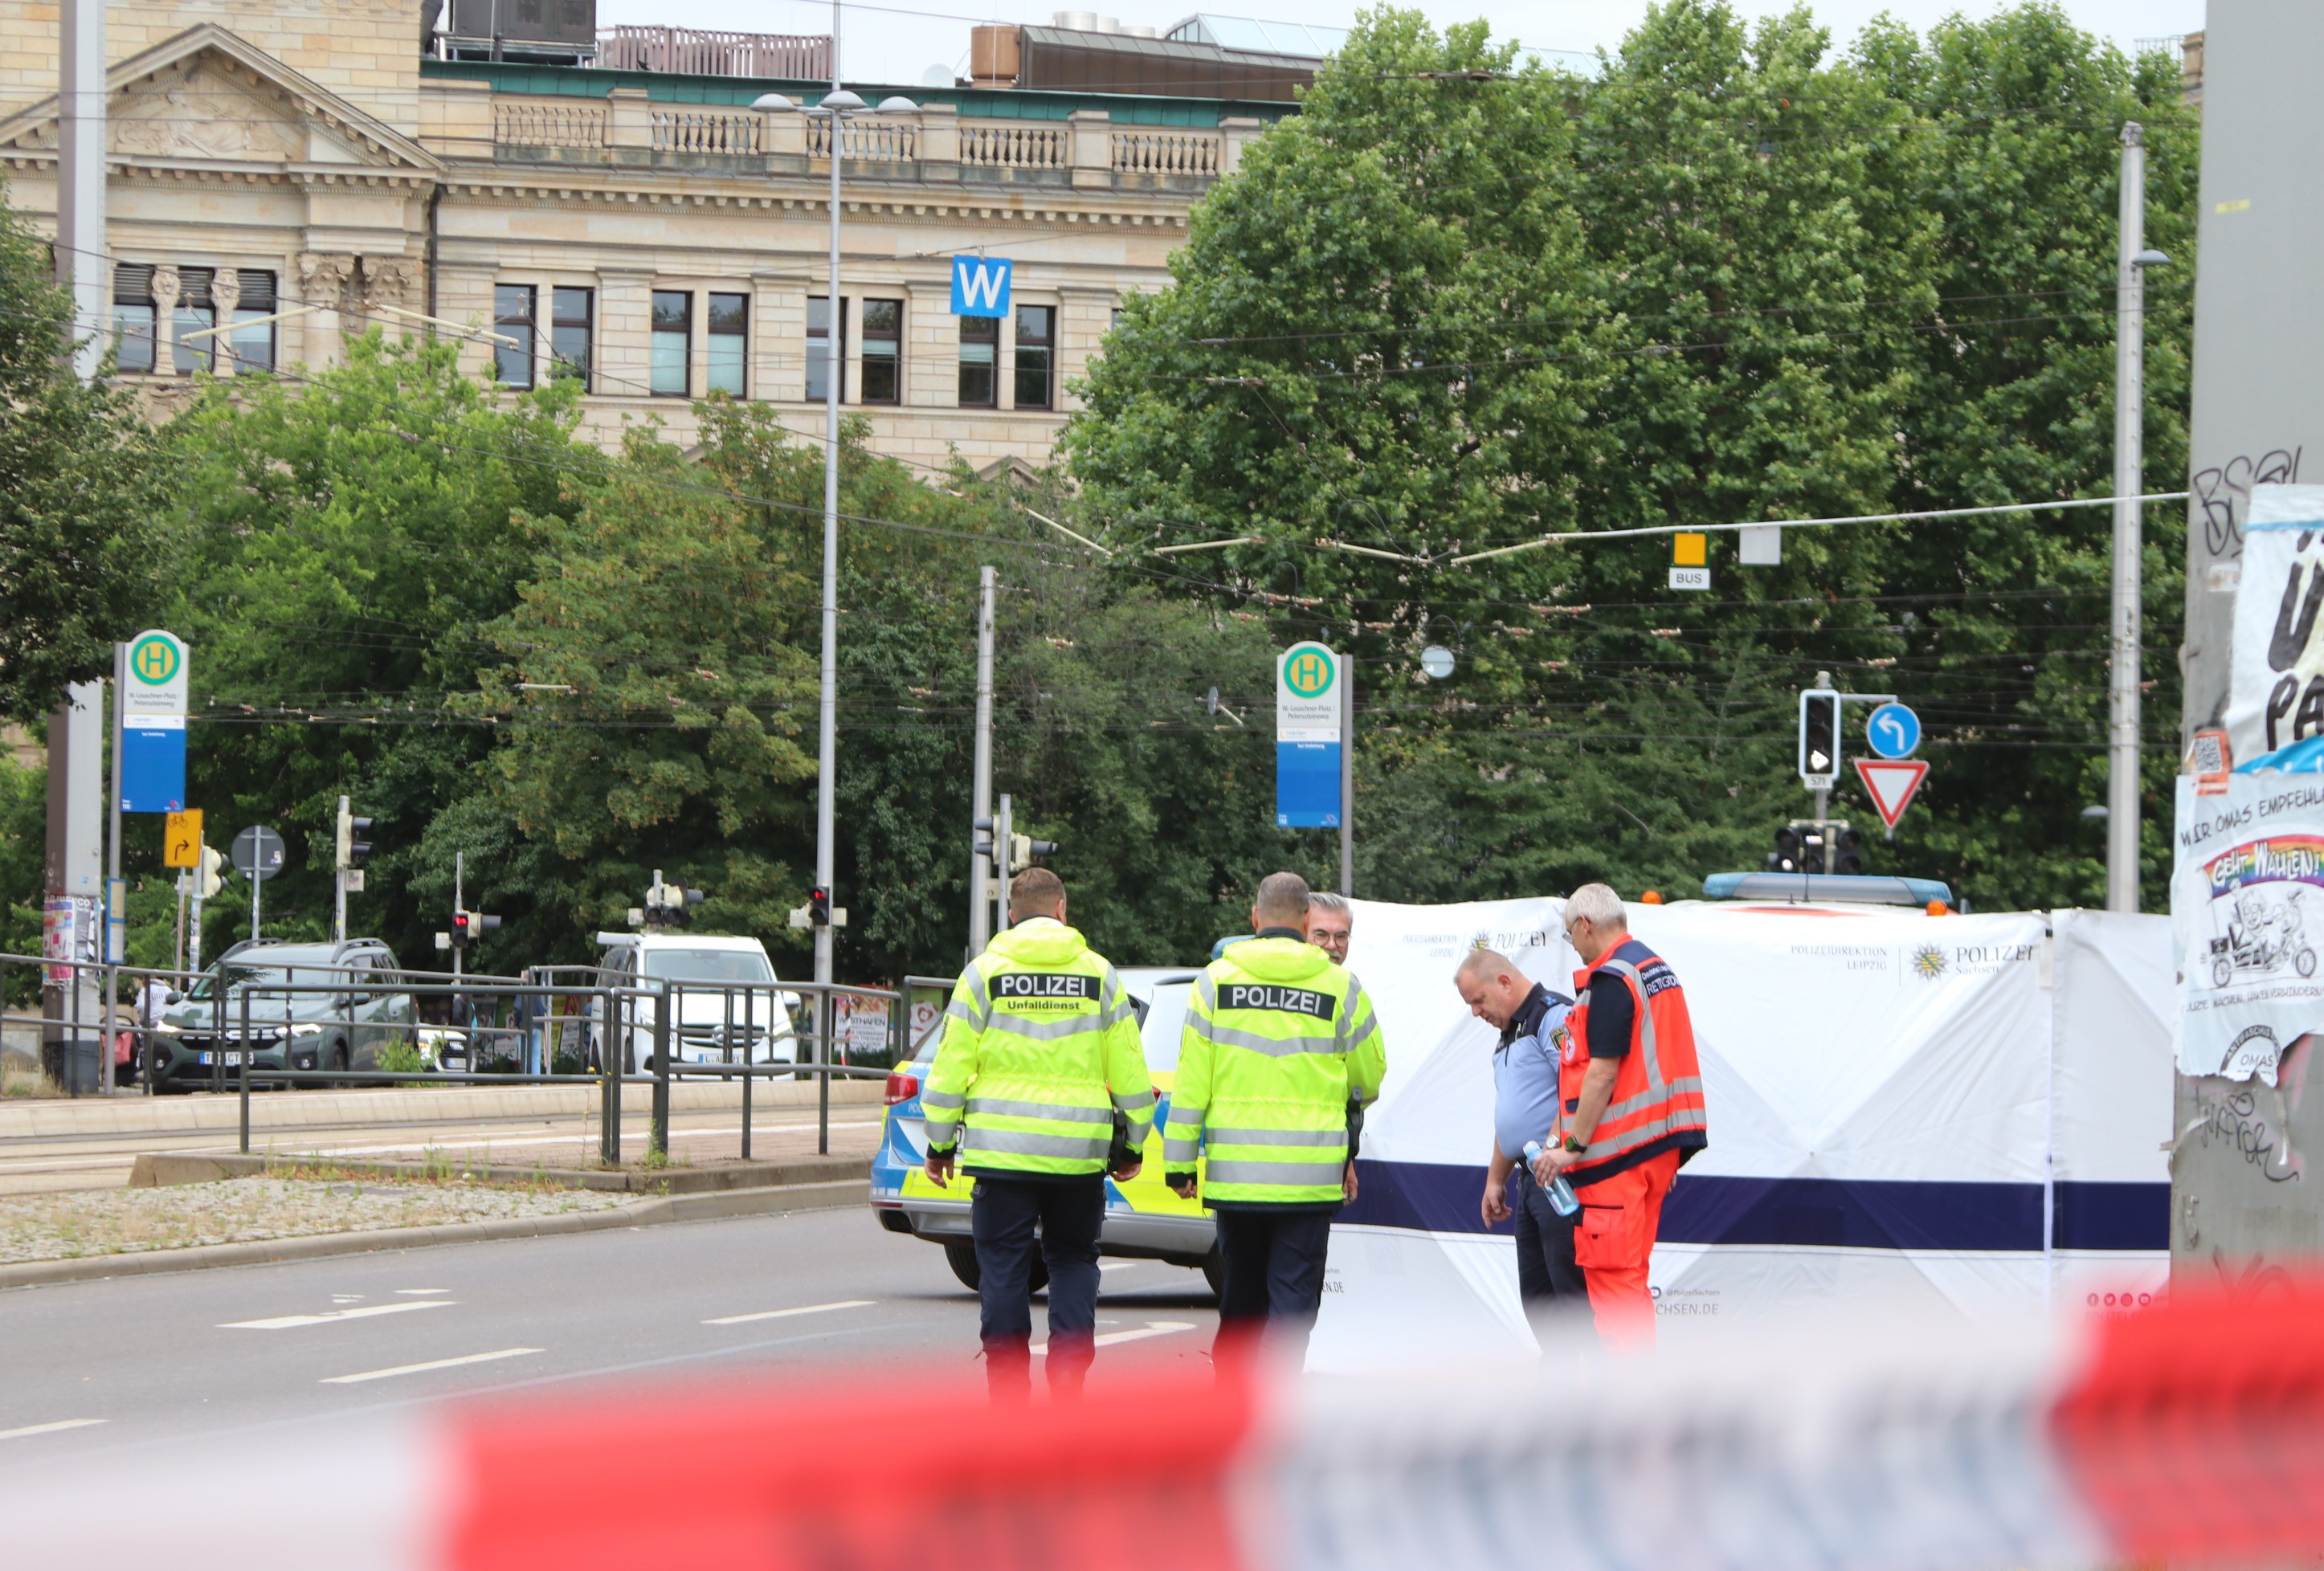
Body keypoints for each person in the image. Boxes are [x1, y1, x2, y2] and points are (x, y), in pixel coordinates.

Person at [921, 868, 1153, 1401]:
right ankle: (1068, 1383)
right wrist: (1133, 1143)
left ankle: (1007, 1393)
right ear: (1063, 910)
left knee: (1002, 1268)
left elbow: (950, 1070)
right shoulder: (1099, 976)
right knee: (1073, 1261)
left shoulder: (982, 975)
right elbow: (1131, 1074)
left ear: (1011, 914)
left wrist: (938, 1145)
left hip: (1001, 1153)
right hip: (1078, 1155)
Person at [1166, 871, 1385, 1363]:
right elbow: (1368, 1080)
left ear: (1254, 918)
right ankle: (1279, 1406)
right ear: (1308, 921)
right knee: (1293, 1301)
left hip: (1237, 1177)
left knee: (1242, 1297)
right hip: (1308, 1180)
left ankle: (1233, 1406)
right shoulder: (1342, 987)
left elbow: (1191, 1084)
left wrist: (1178, 1164)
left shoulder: (1213, 983)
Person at [1530, 883, 1709, 1345]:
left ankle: (1628, 1405)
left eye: (1572, 937)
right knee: (1631, 1277)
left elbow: (1602, 1075)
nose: (1576, 946)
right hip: (1654, 1151)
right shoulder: (1655, 969)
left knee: (1614, 1287)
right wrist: (1667, 1152)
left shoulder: (1611, 978)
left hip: (1617, 1161)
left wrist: (1571, 1148)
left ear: (1585, 925)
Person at [1455, 948, 1588, 1334]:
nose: (1475, 1012)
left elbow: (1576, 1090)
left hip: (1561, 1176)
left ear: (1505, 982)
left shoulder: (1553, 1016)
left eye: (1478, 1000)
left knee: (1571, 1290)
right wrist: (1495, 1179)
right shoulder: (1508, 1033)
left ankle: (1590, 1383)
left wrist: (1550, 1148)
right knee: (1538, 1295)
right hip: (1531, 1179)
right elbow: (1513, 1113)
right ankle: (1559, 1381)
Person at [1304, 891, 1352, 965]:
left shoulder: (1349, 977)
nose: (1332, 945)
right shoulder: (1282, 976)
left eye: (1340, 936)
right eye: (1321, 935)